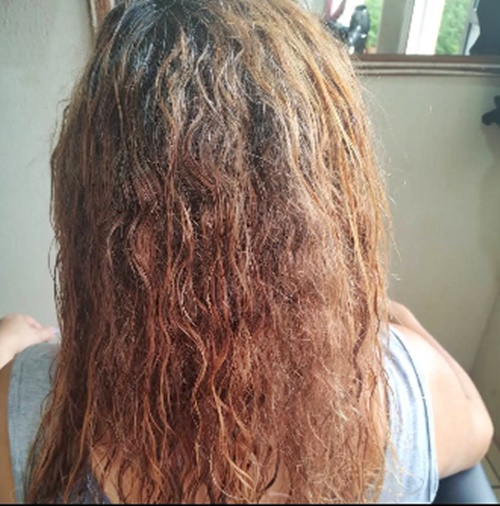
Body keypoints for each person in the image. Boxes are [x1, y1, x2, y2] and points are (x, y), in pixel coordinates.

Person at [0, 0, 495, 503]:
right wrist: (403, 321)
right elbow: (479, 428)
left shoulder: (32, 415)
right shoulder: (398, 391)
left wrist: (6, 346)